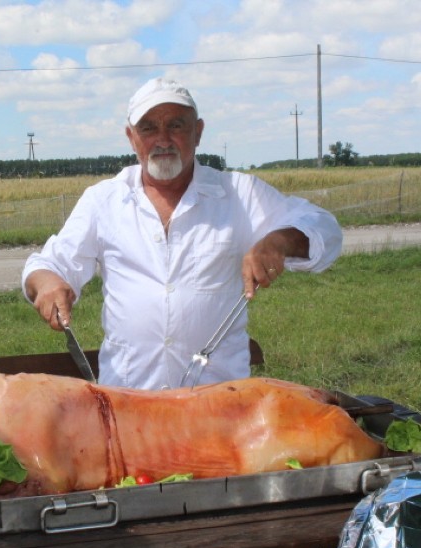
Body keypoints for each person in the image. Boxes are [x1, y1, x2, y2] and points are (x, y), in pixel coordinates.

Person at [22, 77, 342, 390]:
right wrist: (48, 283)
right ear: (132, 138)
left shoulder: (239, 194)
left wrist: (281, 241)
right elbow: (49, 265)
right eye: (148, 128)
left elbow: (323, 227)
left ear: (198, 132)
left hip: (219, 408)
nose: (163, 139)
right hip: (129, 406)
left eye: (176, 125)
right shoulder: (103, 200)